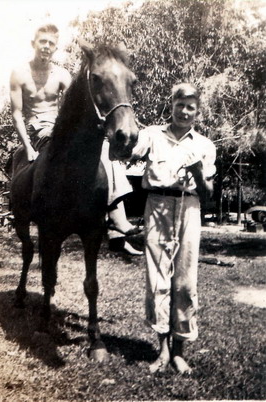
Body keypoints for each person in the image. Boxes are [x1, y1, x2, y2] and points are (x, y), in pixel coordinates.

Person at [10, 23, 142, 255]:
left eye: (51, 43)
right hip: (36, 129)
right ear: (34, 43)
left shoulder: (61, 74)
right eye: (43, 42)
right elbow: (17, 114)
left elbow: (75, 105)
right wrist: (28, 146)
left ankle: (115, 218)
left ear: (56, 47)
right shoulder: (19, 74)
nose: (47, 47)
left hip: (59, 126)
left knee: (102, 151)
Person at [132, 83, 216, 374]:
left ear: (197, 112)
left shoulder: (204, 145)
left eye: (190, 107)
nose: (184, 111)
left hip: (190, 208)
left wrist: (197, 173)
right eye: (180, 104)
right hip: (157, 205)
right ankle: (163, 351)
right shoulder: (152, 135)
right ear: (172, 105)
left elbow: (208, 194)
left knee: (184, 281)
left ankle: (180, 350)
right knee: (158, 279)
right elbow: (128, 148)